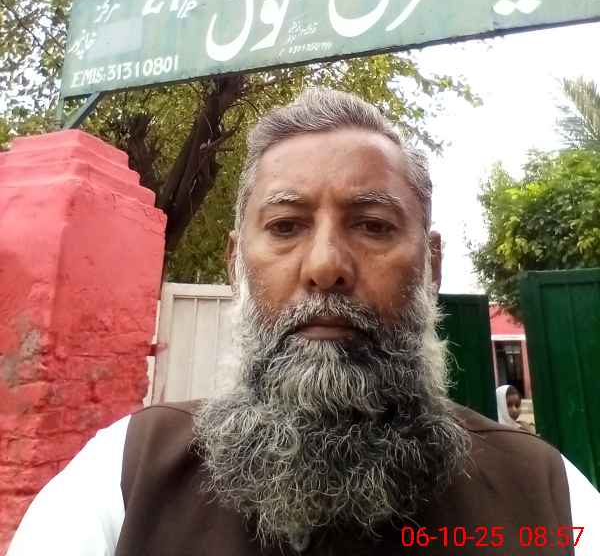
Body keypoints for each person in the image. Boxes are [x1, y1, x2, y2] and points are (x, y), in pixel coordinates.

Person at [8, 88, 600, 555]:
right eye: (286, 226)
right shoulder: (125, 477)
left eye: (373, 226)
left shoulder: (546, 500)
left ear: (432, 266)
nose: (324, 267)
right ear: (236, 264)